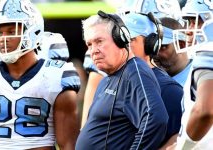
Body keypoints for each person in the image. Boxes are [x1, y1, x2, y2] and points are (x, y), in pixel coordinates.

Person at [0, 0, 80, 149]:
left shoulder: (56, 77)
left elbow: (68, 145)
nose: (3, 39)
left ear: (33, 31)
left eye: (11, 31)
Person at [76, 10, 168, 149]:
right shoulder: (109, 77)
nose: (93, 50)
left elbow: (155, 118)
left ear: (121, 39)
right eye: (89, 44)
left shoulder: (135, 72)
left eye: (99, 41)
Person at [121, 12, 183, 149]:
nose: (157, 53)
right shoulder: (112, 80)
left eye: (164, 47)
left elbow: (176, 139)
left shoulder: (170, 90)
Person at [167, 18, 213, 150]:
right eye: (189, 21)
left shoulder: (208, 51)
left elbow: (205, 111)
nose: (189, 29)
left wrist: (184, 147)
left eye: (196, 22)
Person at [153, 17, 192, 87]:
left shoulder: (199, 79)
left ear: (181, 45)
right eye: (152, 46)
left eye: (162, 47)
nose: (154, 54)